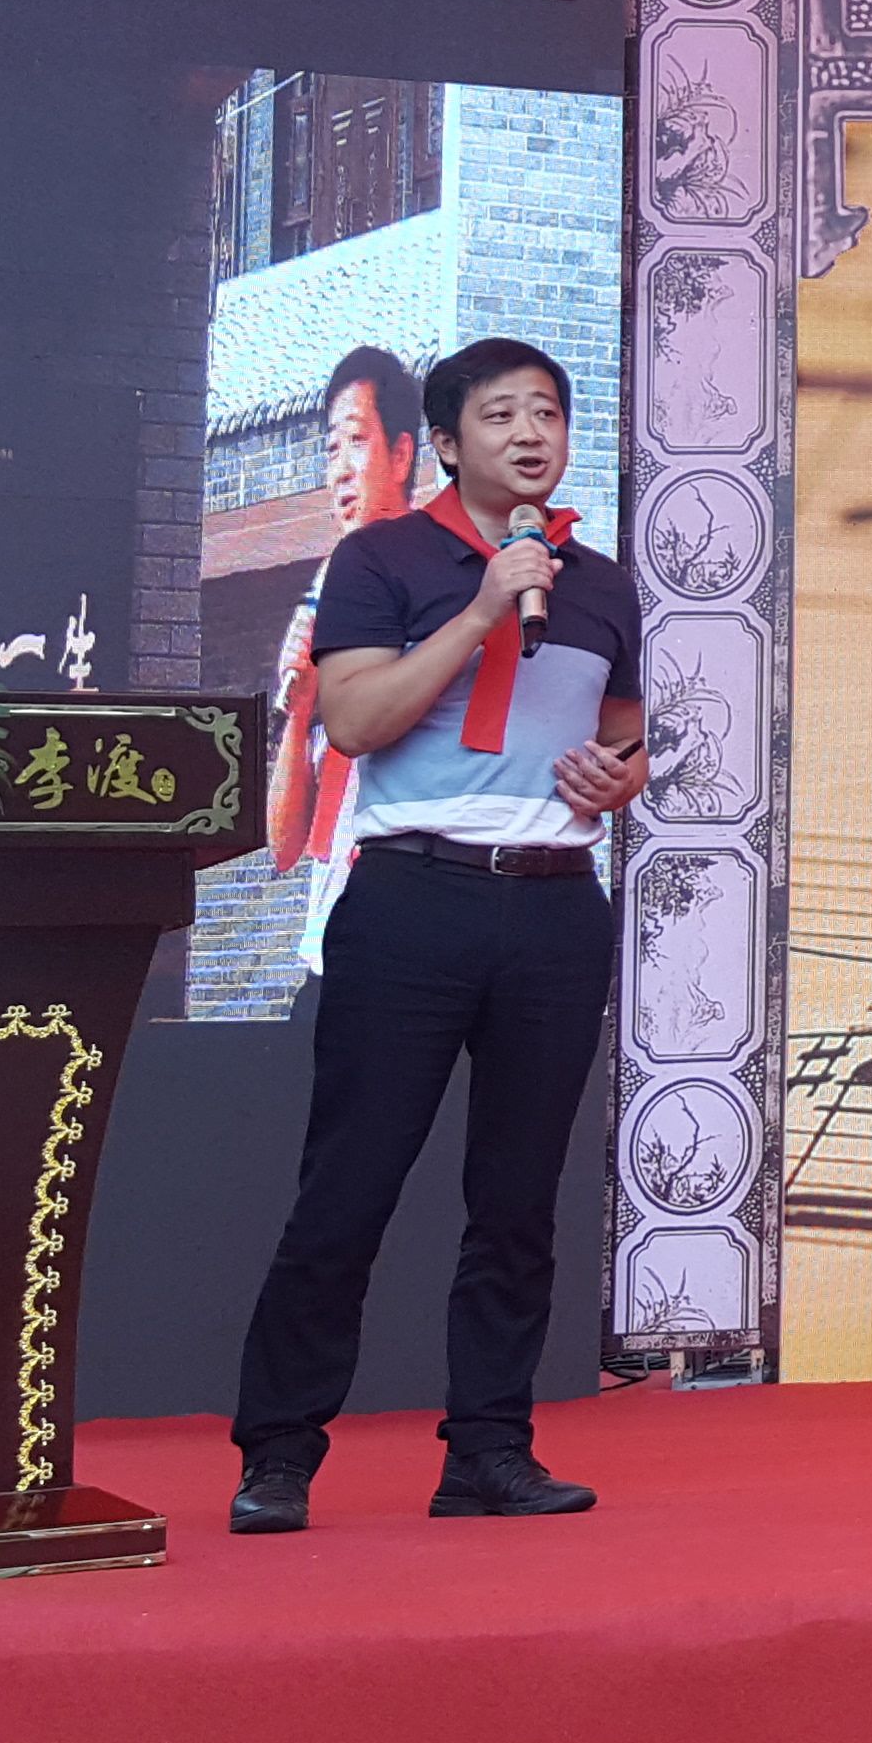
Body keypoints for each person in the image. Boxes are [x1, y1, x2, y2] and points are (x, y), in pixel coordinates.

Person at [229, 338, 647, 1531]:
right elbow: (357, 721)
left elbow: (625, 733)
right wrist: (481, 608)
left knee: (517, 1200)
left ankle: (489, 1452)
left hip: (553, 905)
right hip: (411, 898)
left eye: (547, 414)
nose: (530, 434)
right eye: (501, 416)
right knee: (349, 1187)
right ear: (450, 443)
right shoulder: (381, 559)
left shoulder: (599, 582)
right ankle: (278, 1456)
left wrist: (620, 776)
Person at [262, 345, 424, 950]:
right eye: (332, 450)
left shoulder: (441, 583)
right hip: (332, 932)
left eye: (357, 441)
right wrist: (299, 706)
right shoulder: (329, 585)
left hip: (416, 919)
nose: (341, 471)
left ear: (402, 455)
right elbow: (283, 847)